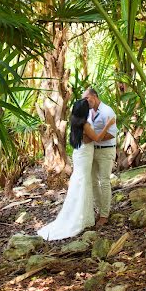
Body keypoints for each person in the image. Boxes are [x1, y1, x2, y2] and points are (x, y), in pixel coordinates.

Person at [37, 99, 115, 241]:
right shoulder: (85, 124)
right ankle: (83, 218)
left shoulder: (74, 122)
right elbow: (97, 138)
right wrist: (108, 125)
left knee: (80, 182)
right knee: (84, 182)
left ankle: (84, 215)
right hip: (84, 157)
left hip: (79, 154)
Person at [82, 88, 117, 228]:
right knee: (93, 182)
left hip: (106, 151)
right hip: (92, 151)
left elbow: (112, 134)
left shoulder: (107, 111)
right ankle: (100, 208)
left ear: (94, 96)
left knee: (105, 181)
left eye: (87, 98)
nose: (86, 101)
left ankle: (104, 215)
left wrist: (94, 138)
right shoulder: (89, 112)